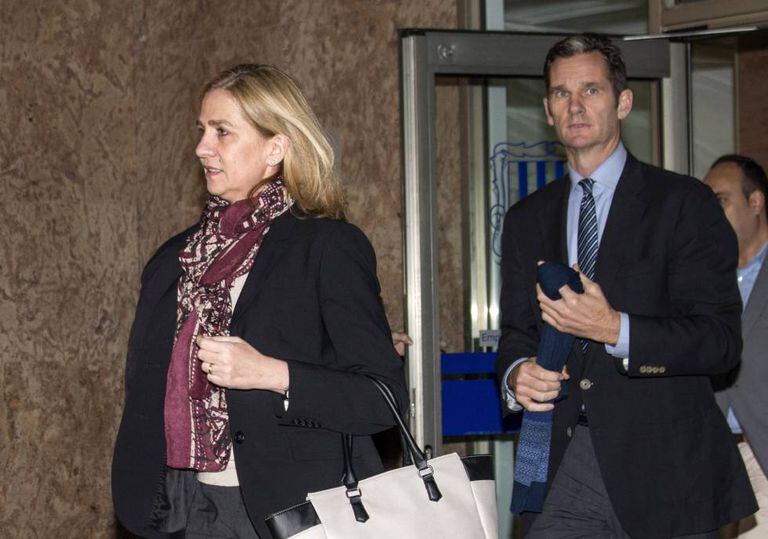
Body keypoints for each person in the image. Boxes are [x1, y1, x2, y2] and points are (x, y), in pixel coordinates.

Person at [112, 64, 408, 539]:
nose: (202, 147)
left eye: (222, 132)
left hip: (294, 510)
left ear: (275, 148)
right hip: (189, 506)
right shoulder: (177, 257)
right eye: (202, 130)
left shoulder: (327, 246)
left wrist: (272, 373)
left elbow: (382, 399)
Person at [496, 34, 757, 538]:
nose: (575, 106)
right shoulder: (526, 218)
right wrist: (516, 375)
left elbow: (720, 342)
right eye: (561, 93)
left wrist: (615, 328)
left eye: (591, 90)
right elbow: (516, 332)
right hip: (559, 466)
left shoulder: (684, 204)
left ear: (623, 102)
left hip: (667, 471)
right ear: (547, 111)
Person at [704, 155, 768, 538]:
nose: (711, 213)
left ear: (755, 202)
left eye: (721, 200)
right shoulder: (702, 278)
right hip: (710, 460)